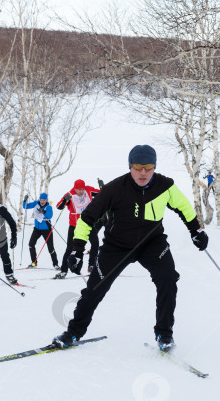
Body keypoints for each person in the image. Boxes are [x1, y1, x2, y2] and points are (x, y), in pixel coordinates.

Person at [51, 144, 208, 351]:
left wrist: (195, 230)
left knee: (168, 279)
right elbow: (87, 219)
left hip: (152, 243)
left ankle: (164, 334)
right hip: (117, 246)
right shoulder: (114, 189)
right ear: (130, 166)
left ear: (154, 167)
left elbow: (184, 206)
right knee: (94, 289)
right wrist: (77, 249)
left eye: (148, 167)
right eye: (137, 167)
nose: (143, 172)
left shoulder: (165, 186)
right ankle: (73, 332)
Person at [55, 179, 100, 279]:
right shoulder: (70, 195)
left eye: (82, 189)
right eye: (78, 190)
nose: (81, 192)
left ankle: (91, 265)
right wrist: (64, 200)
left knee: (95, 243)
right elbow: (59, 206)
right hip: (74, 226)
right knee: (70, 248)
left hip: (87, 224)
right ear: (75, 188)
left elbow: (101, 194)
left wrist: (102, 186)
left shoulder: (88, 190)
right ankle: (63, 271)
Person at [22, 192, 59, 269]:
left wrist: (43, 211)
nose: (42, 201)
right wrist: (25, 200)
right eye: (41, 199)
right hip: (37, 229)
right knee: (31, 244)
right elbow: (25, 207)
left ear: (46, 200)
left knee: (50, 248)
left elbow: (50, 215)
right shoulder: (36, 203)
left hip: (46, 229)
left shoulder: (48, 207)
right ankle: (34, 262)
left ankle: (55, 264)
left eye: (44, 200)